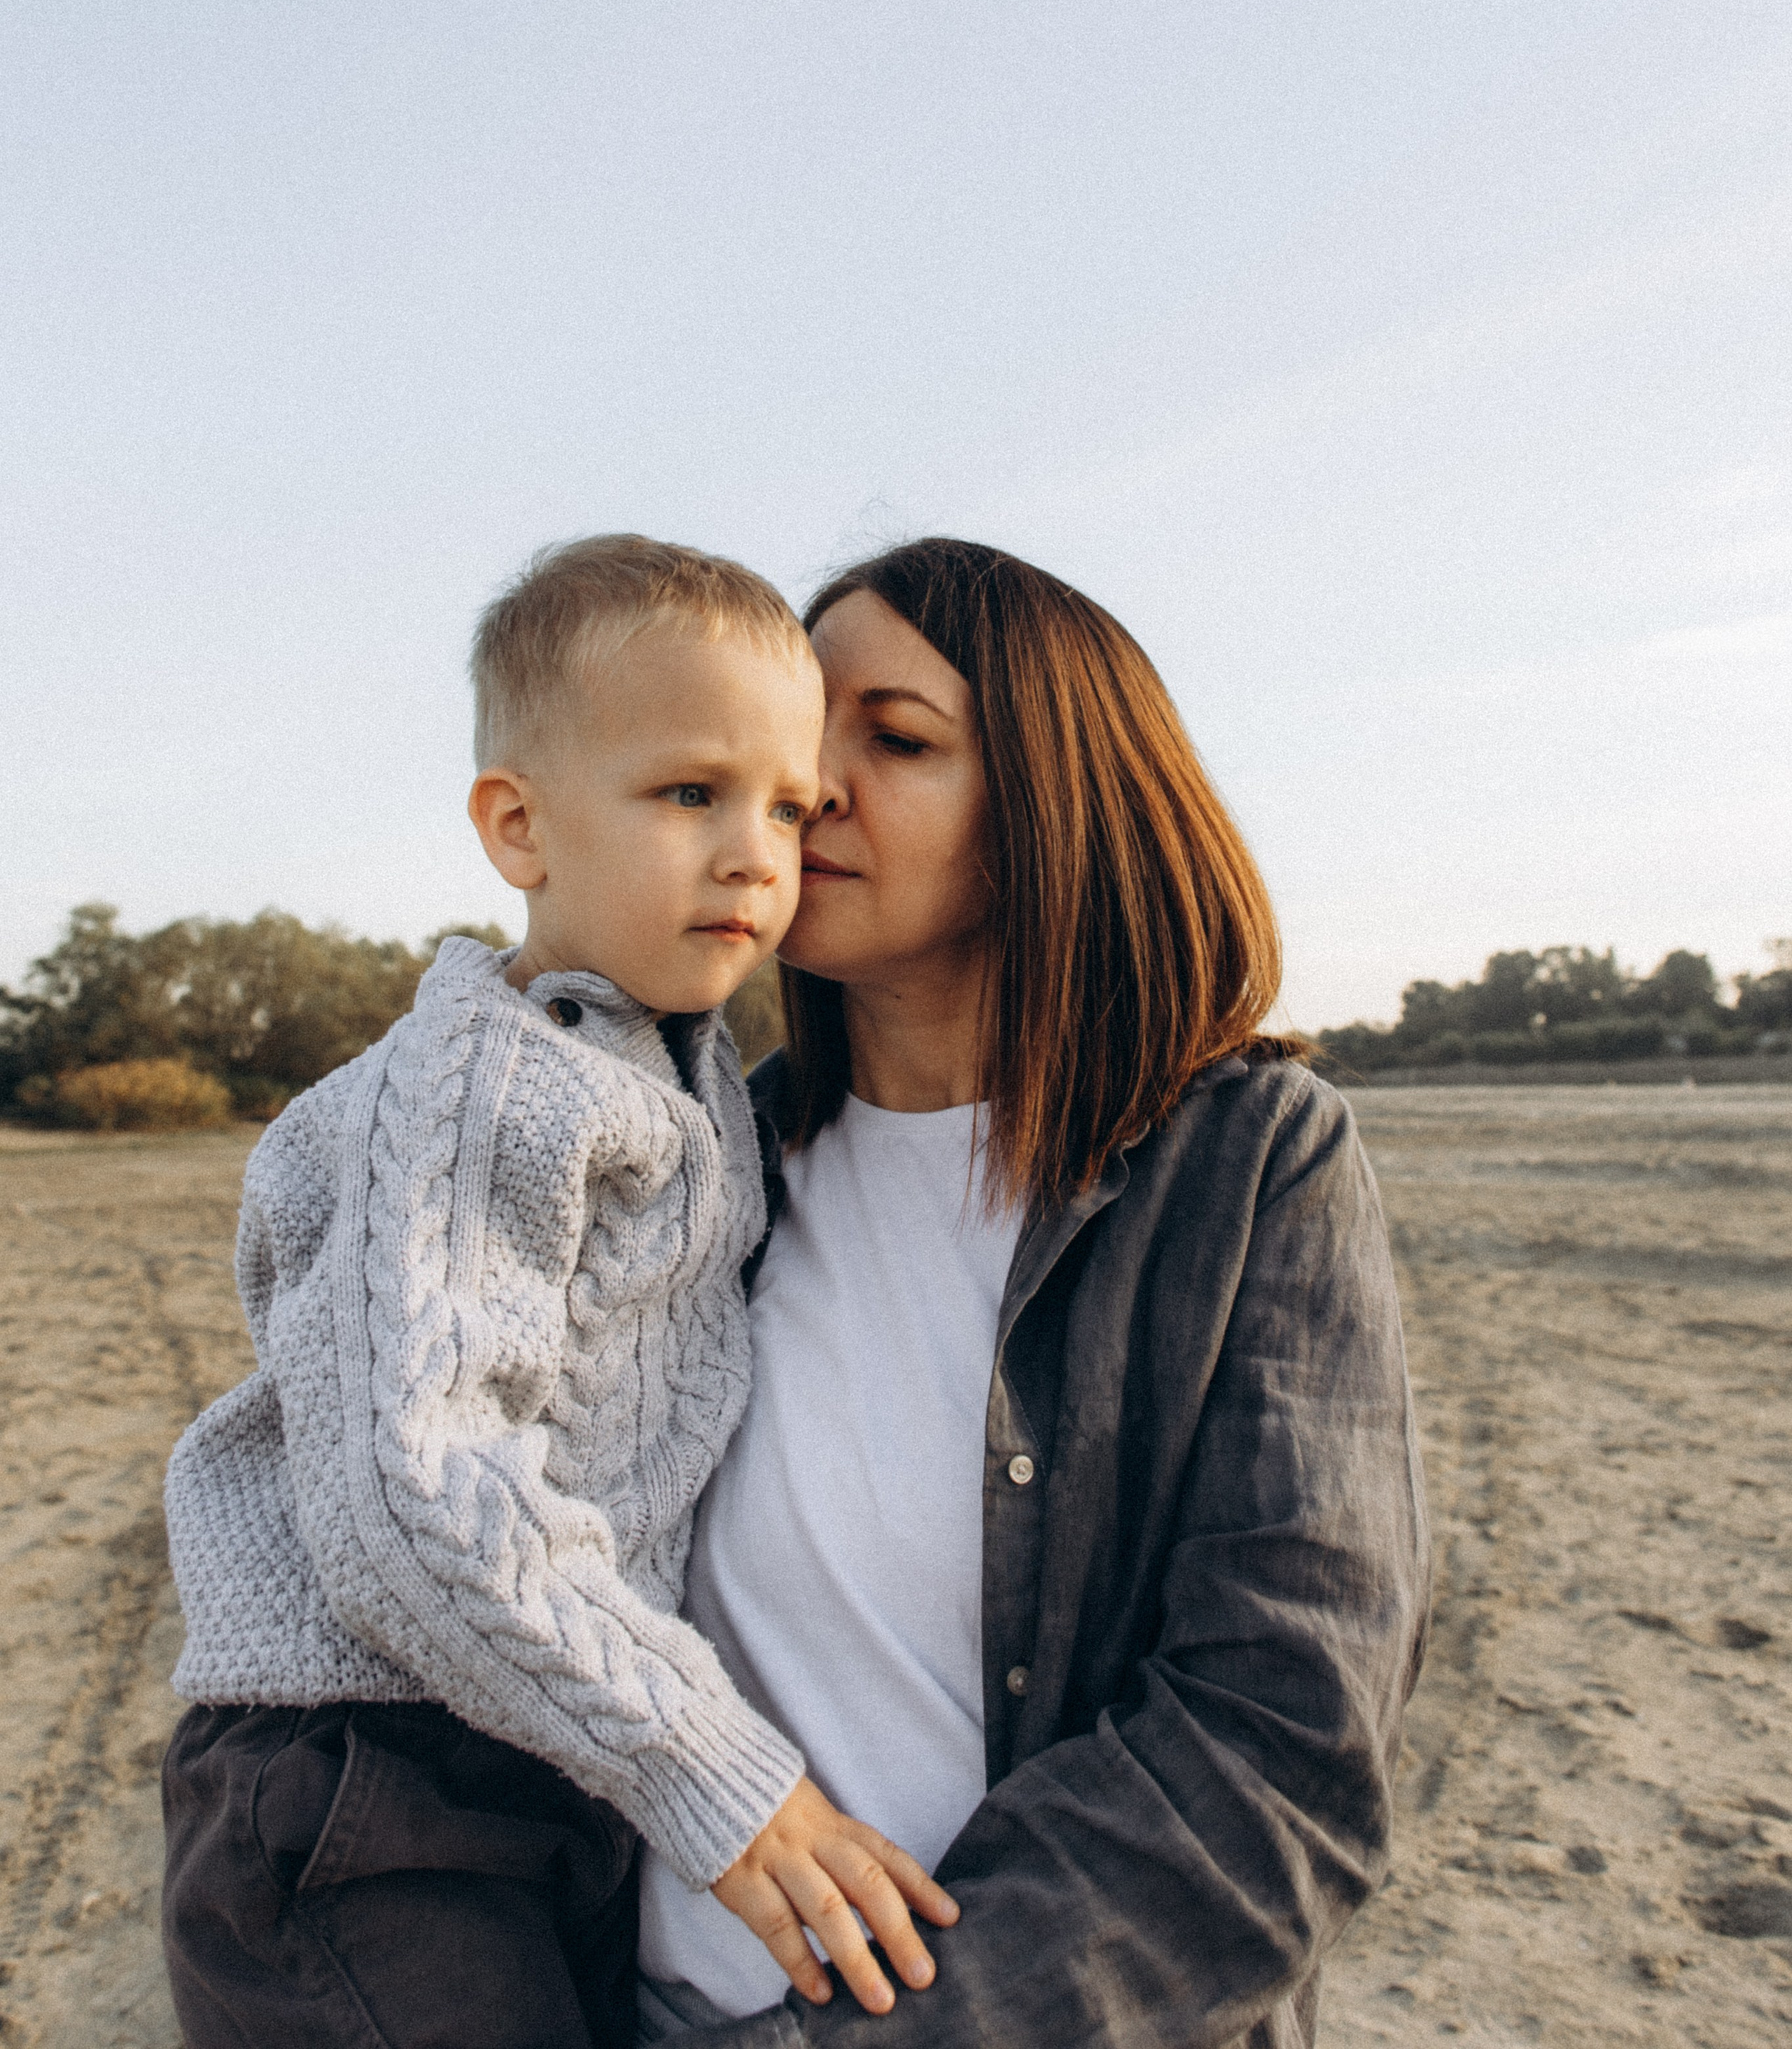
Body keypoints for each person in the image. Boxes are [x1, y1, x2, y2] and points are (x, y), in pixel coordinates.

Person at [159, 536, 955, 2049]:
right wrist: (718, 1773)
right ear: (518, 827)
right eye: (688, 794)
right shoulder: (486, 1085)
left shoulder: (671, 1069)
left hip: (537, 1759)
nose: (756, 853)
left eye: (787, 807)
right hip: (368, 1780)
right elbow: (412, 1498)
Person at [636, 537, 1430, 2046]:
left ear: (1053, 809)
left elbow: (1278, 1756)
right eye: (803, 736)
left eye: (898, 739)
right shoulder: (694, 1164)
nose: (810, 788)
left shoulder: (1245, 1164)